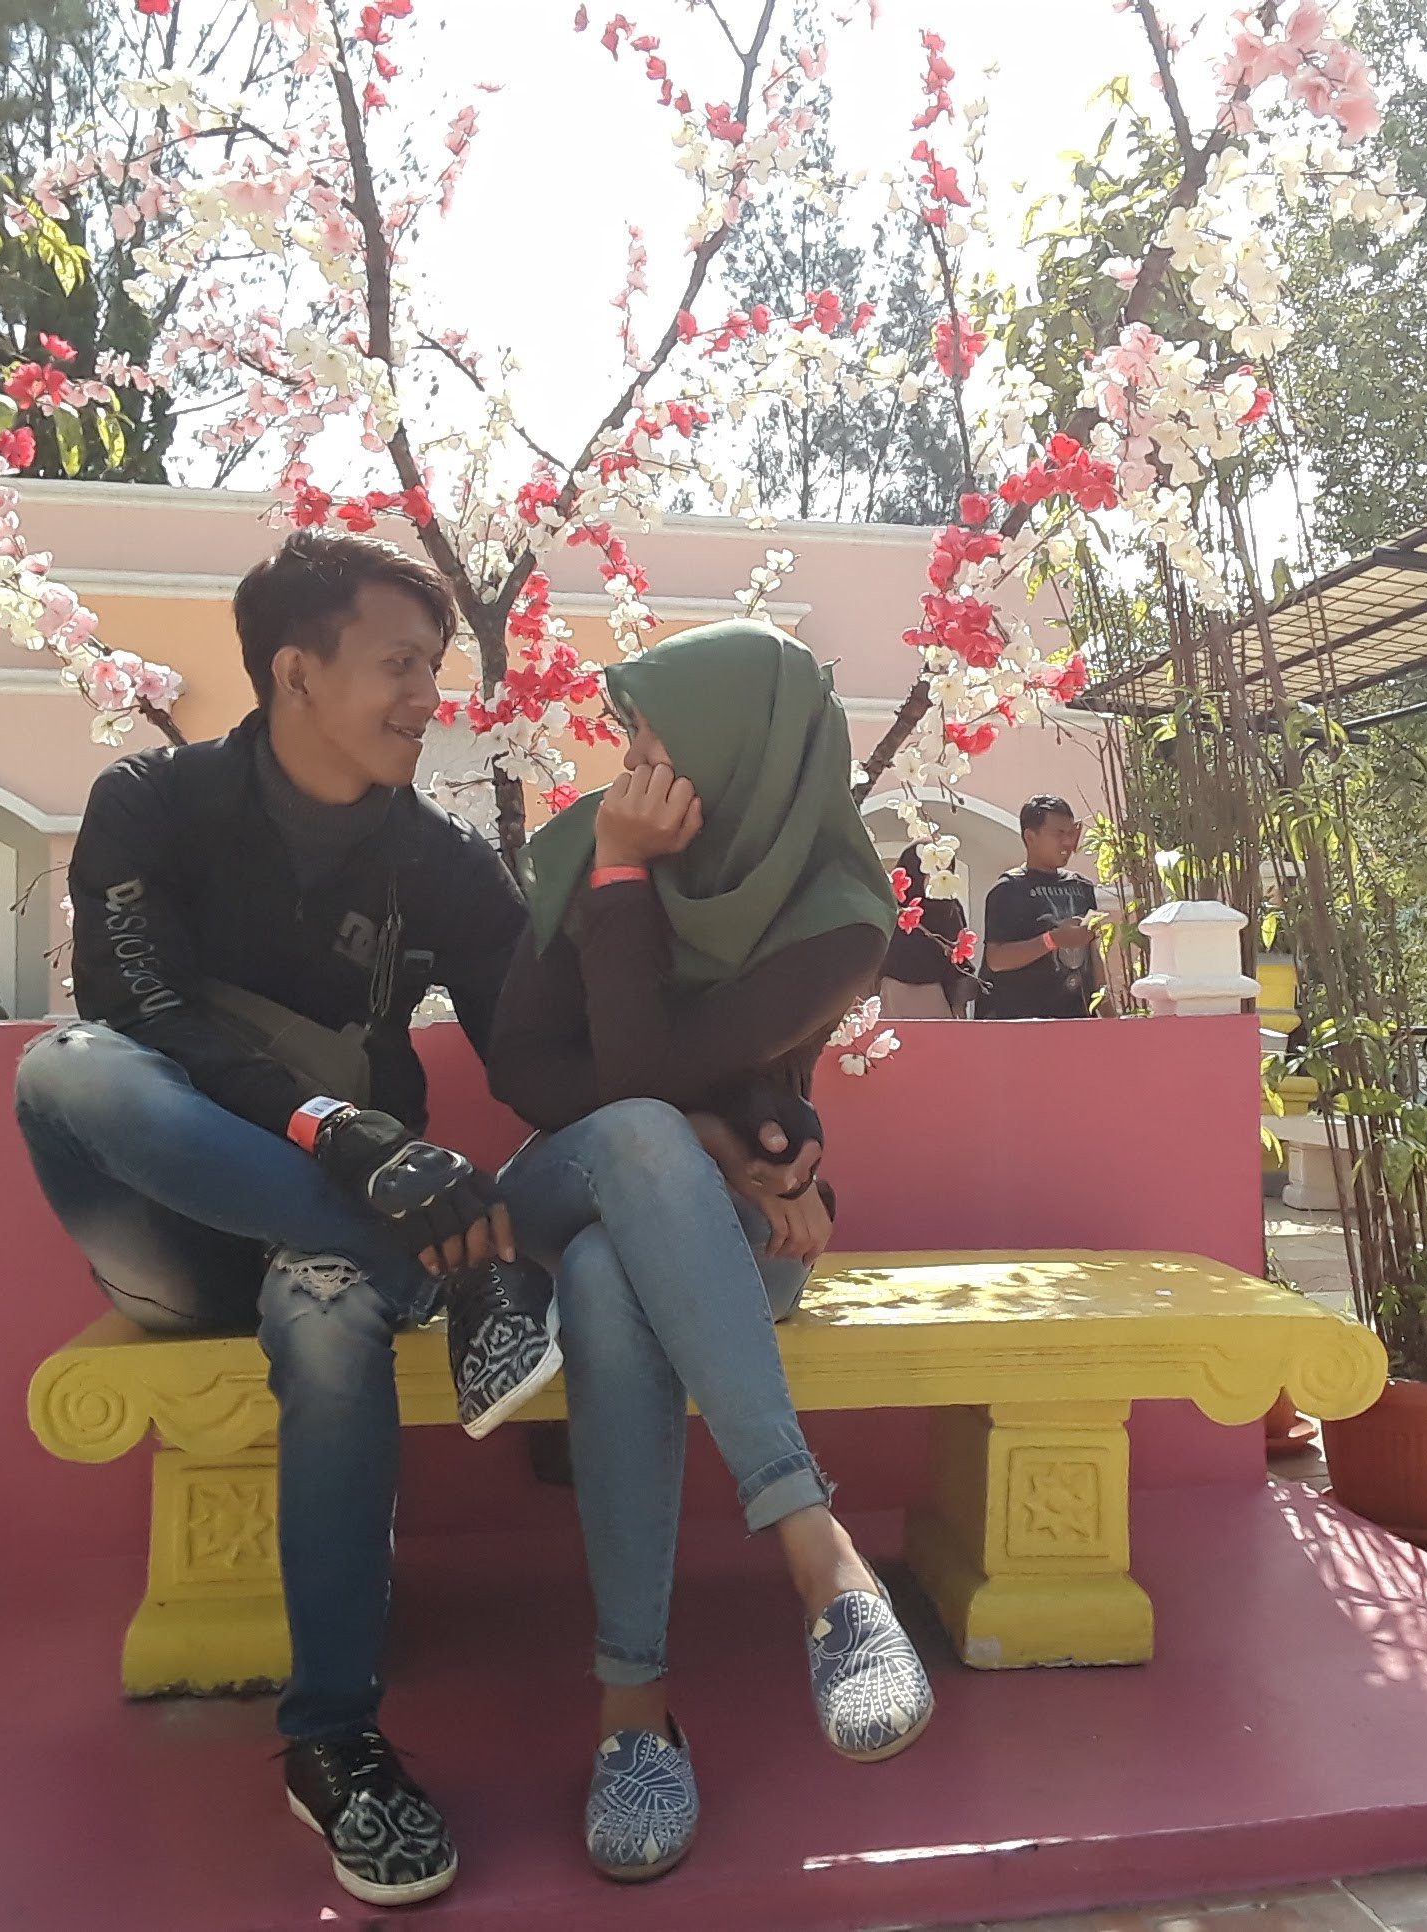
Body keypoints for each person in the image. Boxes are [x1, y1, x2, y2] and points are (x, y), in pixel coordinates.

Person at [11, 531, 554, 1909]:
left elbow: (549, 1060)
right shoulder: (153, 803)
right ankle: (449, 1281)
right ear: (296, 671)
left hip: (346, 1234)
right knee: (65, 1068)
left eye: (435, 666)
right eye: (399, 664)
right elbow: (143, 1012)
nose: (428, 696)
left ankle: (333, 1746)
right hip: (181, 1227)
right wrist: (334, 1132)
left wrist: (745, 1116)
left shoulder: (439, 863)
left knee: (322, 1310)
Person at [487, 620, 937, 1885]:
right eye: (628, 734)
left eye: (658, 736)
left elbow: (656, 1060)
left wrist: (736, 1132)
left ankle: (632, 1712)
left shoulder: (835, 915)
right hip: (575, 1178)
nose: (632, 762)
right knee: (636, 1139)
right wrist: (619, 877)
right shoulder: (592, 849)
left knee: (608, 1278)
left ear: (744, 750)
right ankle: (821, 1557)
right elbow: (533, 1071)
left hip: (737, 1227)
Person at [976, 796, 1103, 1019]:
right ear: (1030, 837)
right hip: (1020, 1022)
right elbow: (995, 959)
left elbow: (1093, 957)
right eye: (1058, 834)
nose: (1067, 842)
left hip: (1077, 1018)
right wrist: (1052, 940)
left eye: (1070, 833)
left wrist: (1109, 1016)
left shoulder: (1082, 887)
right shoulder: (1009, 889)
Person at [873, 843, 973, 1020]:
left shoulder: (949, 909)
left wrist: (959, 1007)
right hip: (891, 998)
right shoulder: (891, 907)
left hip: (935, 1000)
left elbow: (957, 959)